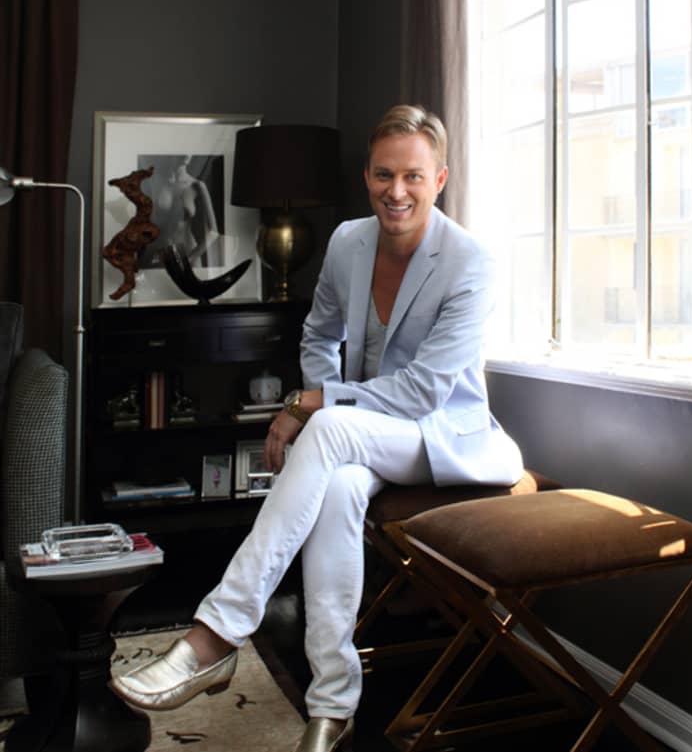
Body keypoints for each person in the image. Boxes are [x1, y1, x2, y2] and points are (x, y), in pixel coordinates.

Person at [111, 104, 524, 752]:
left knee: (329, 429)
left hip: (443, 436)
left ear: (440, 179)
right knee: (335, 488)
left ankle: (215, 633)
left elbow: (423, 393)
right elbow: (318, 334)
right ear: (366, 175)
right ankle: (333, 704)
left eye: (413, 176)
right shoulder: (347, 243)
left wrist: (310, 404)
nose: (396, 190)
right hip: (363, 433)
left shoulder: (469, 262)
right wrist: (318, 398)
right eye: (383, 174)